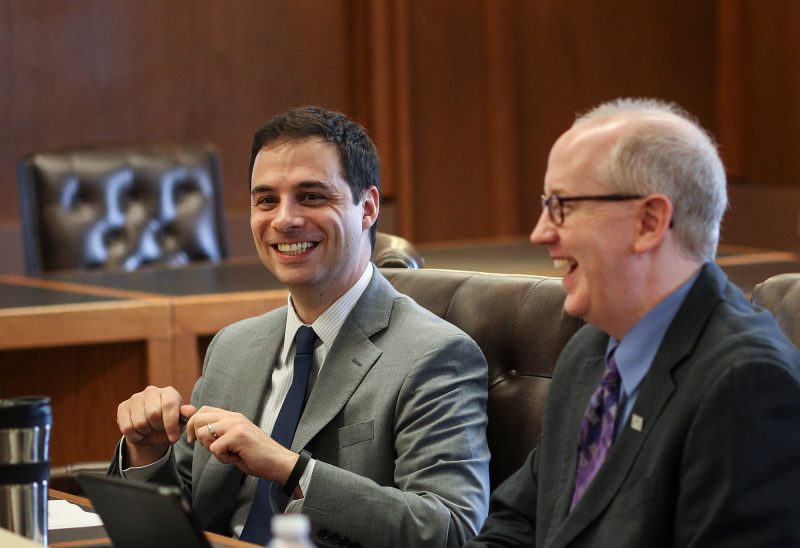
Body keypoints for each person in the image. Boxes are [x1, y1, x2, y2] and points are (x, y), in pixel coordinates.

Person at [111, 106, 491, 548]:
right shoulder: (233, 347)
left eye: (311, 196)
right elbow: (182, 513)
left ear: (367, 207)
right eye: (266, 199)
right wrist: (146, 450)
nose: (283, 219)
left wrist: (292, 470)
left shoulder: (435, 355)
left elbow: (448, 529)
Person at [466, 98, 800, 547]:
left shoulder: (746, 382)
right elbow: (519, 522)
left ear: (649, 221)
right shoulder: (590, 351)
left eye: (562, 205)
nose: (541, 231)